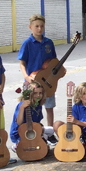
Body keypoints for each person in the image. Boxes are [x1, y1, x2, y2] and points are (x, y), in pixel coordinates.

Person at [18, 14, 57, 144]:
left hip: (47, 81)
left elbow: (53, 62)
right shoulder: (27, 43)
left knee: (49, 106)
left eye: (42, 26)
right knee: (32, 109)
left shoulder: (49, 43)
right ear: (30, 27)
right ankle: (36, 132)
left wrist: (57, 74)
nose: (39, 29)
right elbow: (22, 63)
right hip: (32, 82)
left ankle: (50, 133)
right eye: (36, 26)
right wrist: (26, 77)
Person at [10, 81, 46, 152]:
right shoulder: (21, 105)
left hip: (33, 130)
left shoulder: (38, 105)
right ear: (29, 94)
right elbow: (19, 122)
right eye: (35, 93)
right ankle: (17, 145)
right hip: (20, 133)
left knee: (49, 131)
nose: (38, 95)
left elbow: (38, 122)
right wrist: (22, 108)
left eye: (40, 93)